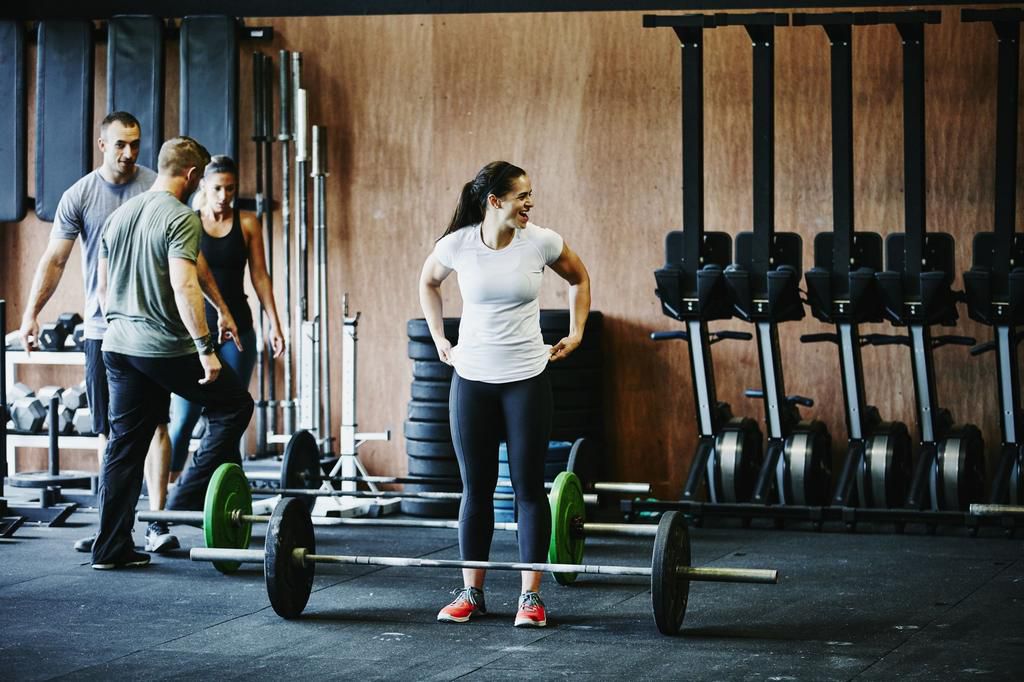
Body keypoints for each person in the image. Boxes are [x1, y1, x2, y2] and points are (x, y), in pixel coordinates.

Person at [418, 161, 591, 627]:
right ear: (494, 201)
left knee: (528, 488)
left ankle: (530, 598)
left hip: (526, 379)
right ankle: (471, 593)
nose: (530, 202)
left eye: (530, 194)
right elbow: (428, 282)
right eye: (521, 196)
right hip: (472, 380)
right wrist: (439, 338)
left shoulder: (541, 241)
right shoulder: (458, 244)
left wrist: (577, 332)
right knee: (476, 489)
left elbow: (579, 278)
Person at [18, 112, 182, 554]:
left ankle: (156, 523)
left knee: (157, 426)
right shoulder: (80, 195)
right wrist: (31, 314)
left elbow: (183, 257)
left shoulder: (155, 186)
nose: (129, 152)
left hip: (151, 327)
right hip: (102, 331)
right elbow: (55, 260)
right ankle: (111, 526)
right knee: (107, 432)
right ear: (102, 144)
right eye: (120, 144)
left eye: (135, 144)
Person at [91, 136, 254, 569]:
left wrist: (125, 327)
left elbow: (103, 291)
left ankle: (110, 549)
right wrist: (206, 348)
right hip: (161, 346)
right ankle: (181, 500)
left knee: (125, 447)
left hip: (117, 345)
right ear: (193, 175)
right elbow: (185, 285)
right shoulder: (181, 217)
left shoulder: (120, 216)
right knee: (236, 405)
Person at [168, 155, 284, 483]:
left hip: (238, 331)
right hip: (194, 333)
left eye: (230, 188)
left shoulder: (247, 223)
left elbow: (260, 276)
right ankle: (168, 497)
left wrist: (275, 324)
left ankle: (226, 492)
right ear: (204, 185)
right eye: (217, 188)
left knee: (230, 418)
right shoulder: (188, 222)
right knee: (184, 418)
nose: (224, 195)